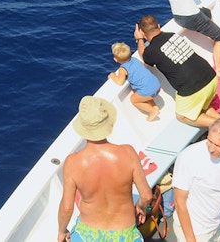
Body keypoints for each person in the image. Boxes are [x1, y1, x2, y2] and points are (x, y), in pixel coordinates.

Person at [57, 96, 153, 242]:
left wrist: (62, 231)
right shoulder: (128, 153)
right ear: (108, 123)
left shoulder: (73, 163)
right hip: (125, 233)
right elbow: (146, 196)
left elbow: (67, 207)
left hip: (87, 234)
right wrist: (141, 207)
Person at [135, 15, 220, 127]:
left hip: (193, 90)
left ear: (143, 33)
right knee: (202, 107)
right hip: (211, 78)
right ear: (159, 26)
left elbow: (143, 55)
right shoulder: (173, 35)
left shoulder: (152, 51)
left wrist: (139, 39)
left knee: (182, 116)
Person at [172, 117, 220, 242]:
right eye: (209, 141)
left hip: (216, 224)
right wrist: (191, 239)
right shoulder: (188, 158)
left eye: (218, 145)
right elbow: (179, 201)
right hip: (195, 232)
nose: (211, 148)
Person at [108, 42, 161, 121]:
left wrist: (113, 75)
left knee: (133, 99)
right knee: (138, 90)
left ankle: (153, 111)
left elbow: (120, 82)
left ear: (115, 59)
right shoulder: (134, 59)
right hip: (157, 84)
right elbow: (142, 65)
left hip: (149, 91)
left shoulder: (122, 69)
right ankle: (154, 106)